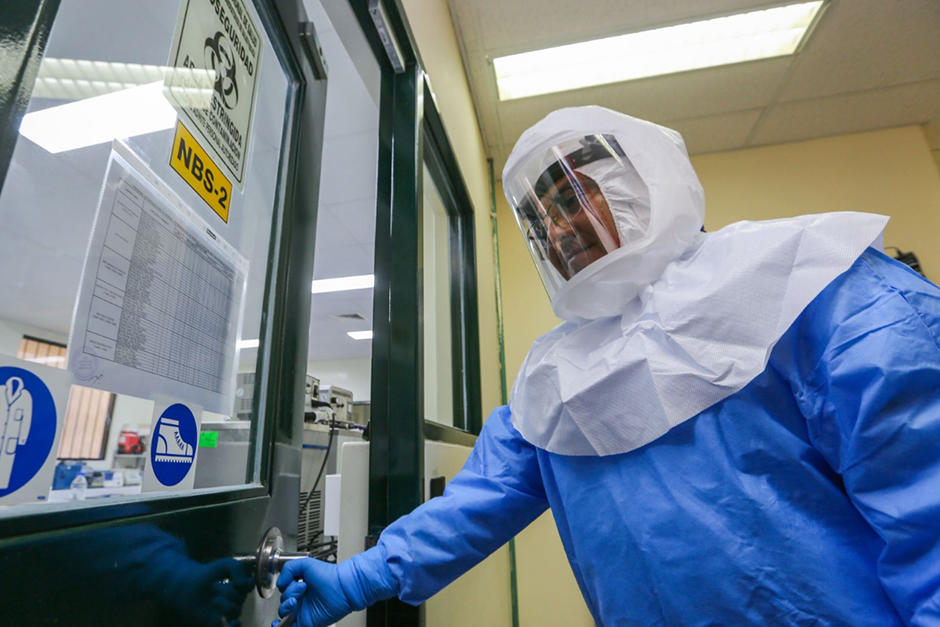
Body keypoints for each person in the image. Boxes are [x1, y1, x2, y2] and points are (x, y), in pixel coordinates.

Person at [274, 106, 940, 626]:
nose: (555, 231)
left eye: (571, 199)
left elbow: (925, 504)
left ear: (647, 180)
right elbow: (479, 500)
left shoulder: (809, 284)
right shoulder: (556, 378)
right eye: (538, 220)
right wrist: (356, 579)